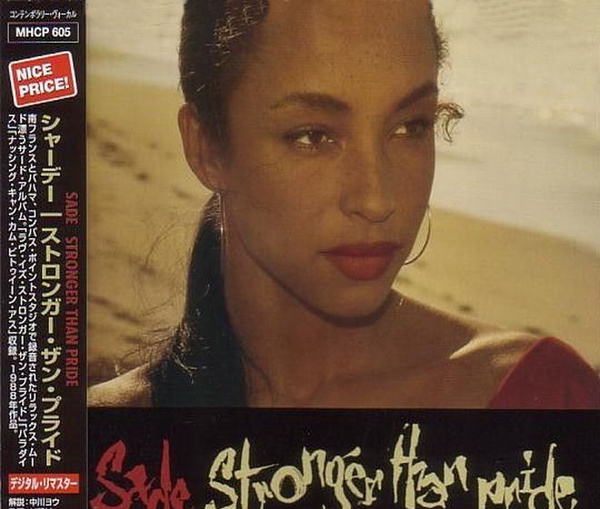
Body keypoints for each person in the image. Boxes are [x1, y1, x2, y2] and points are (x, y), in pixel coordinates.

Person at [88, 0, 600, 409]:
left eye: (409, 127)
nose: (377, 200)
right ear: (206, 149)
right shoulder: (99, 441)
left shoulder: (540, 397)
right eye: (312, 136)